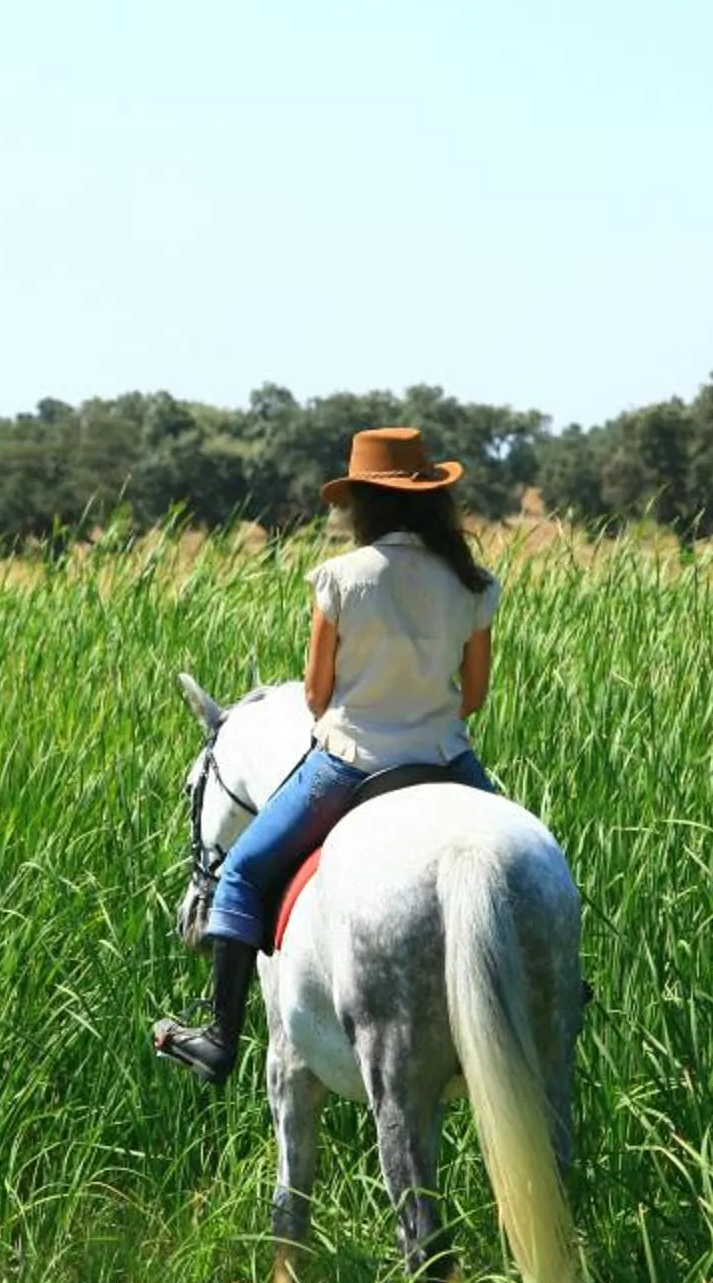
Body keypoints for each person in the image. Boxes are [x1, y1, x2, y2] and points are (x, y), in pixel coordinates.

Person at [154, 427, 501, 1086]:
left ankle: (219, 1037)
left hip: (352, 761)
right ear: (430, 498)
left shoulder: (338, 579)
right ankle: (561, 993)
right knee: (521, 858)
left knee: (245, 873)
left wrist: (369, 712)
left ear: (362, 504)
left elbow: (315, 695)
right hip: (445, 759)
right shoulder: (473, 583)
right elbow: (474, 695)